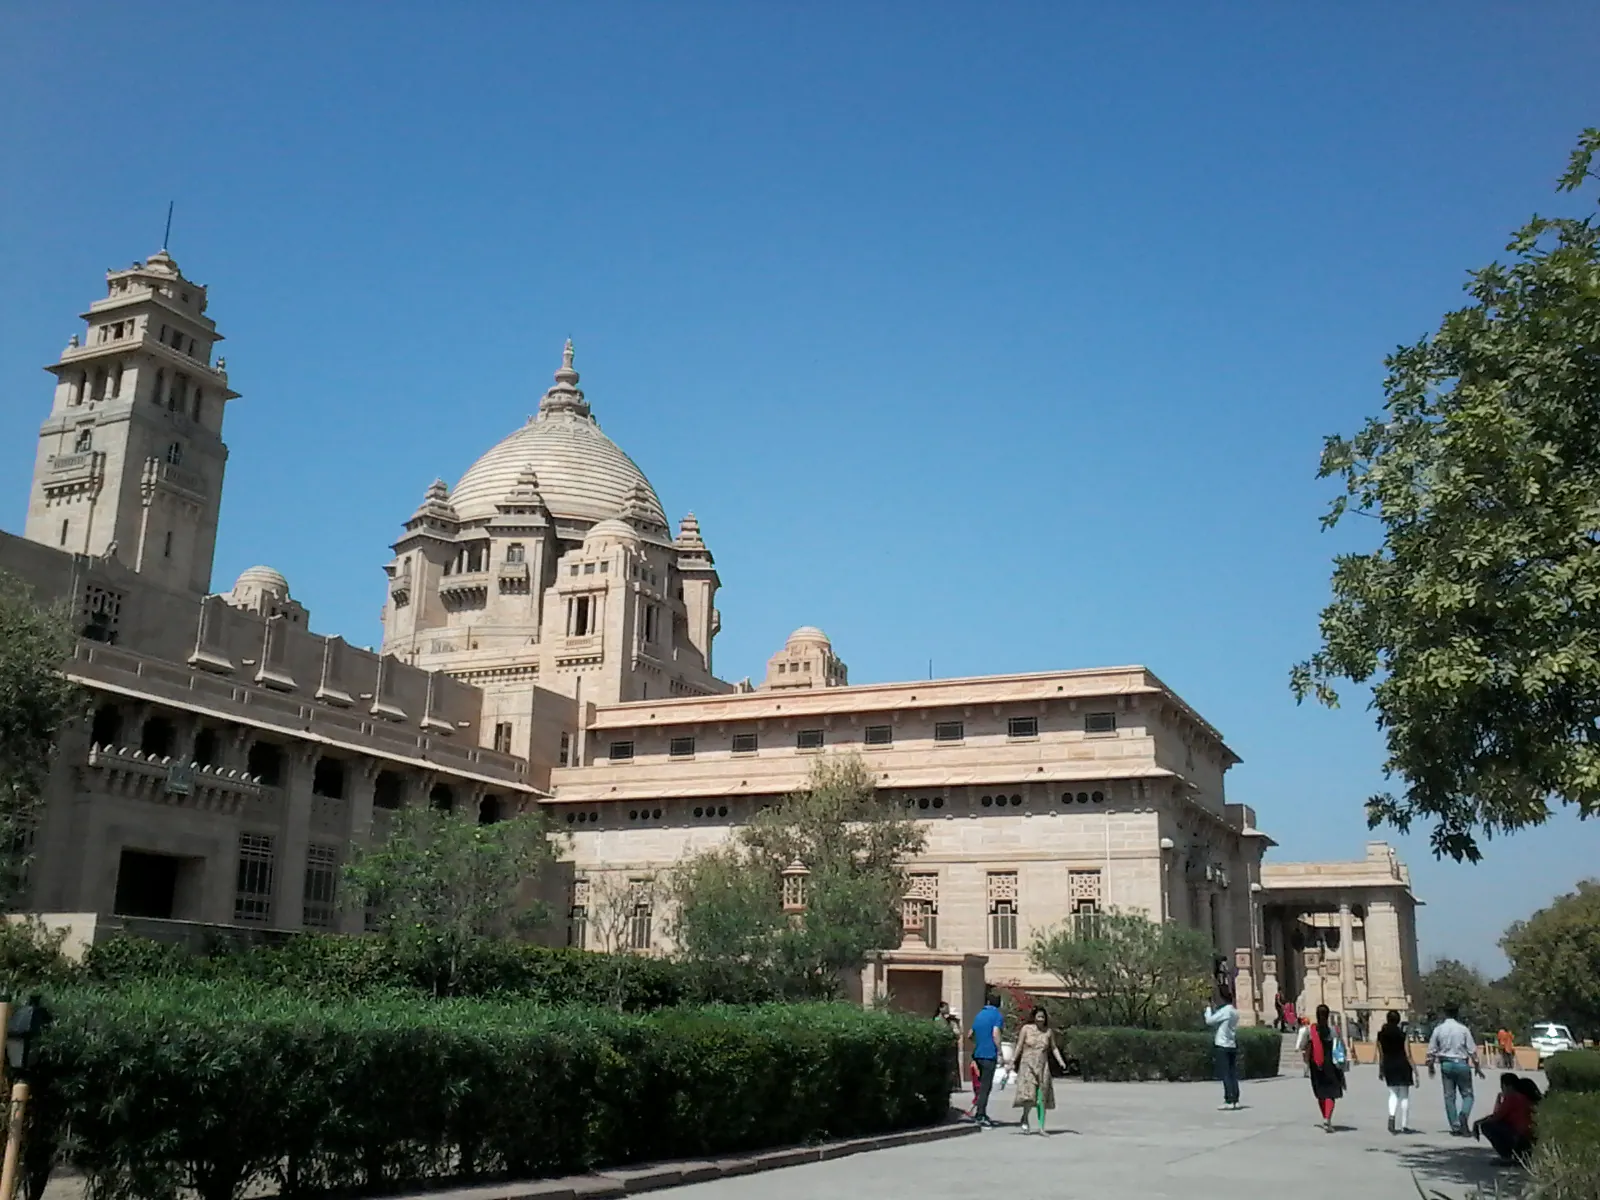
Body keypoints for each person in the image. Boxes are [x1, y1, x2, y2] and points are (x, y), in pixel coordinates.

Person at [1427, 1004, 1485, 1136]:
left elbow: (1431, 1050)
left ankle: (1455, 1125)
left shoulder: (1439, 1029)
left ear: (1445, 1014)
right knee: (1468, 1095)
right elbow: (1472, 1051)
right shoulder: (1463, 1029)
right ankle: (1463, 1114)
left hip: (1445, 1064)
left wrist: (1430, 1066)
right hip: (1461, 1063)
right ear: (1457, 1013)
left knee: (1449, 1096)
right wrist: (1477, 1067)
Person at [1013, 1007, 1067, 1133]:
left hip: (1043, 1066)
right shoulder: (1026, 1029)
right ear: (1034, 1017)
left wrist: (1060, 1061)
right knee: (1029, 1095)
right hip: (1027, 1065)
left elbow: (1053, 1048)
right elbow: (1019, 1045)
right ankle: (1025, 1117)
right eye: (1038, 1017)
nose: (1041, 1020)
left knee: (1041, 1097)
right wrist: (1012, 1061)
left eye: (1043, 1017)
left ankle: (1041, 1127)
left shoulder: (1048, 1032)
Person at [1472, 1073, 1535, 1160]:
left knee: (1487, 1126)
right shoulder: (1523, 1097)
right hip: (1526, 1136)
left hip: (1520, 1137)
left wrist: (1478, 1123)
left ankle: (1507, 1156)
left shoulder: (1512, 1097)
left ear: (1506, 1086)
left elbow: (1496, 1116)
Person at [1303, 1003, 1346, 1133]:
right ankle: (1327, 1118)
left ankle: (1325, 1117)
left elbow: (1306, 1048)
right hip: (1331, 1064)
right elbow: (1341, 1047)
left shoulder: (1311, 1031)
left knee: (1321, 1093)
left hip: (1316, 1064)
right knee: (1331, 1093)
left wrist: (1306, 1064)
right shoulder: (1334, 1030)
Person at [967, 989, 1004, 1127]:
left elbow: (970, 1034)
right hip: (989, 1055)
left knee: (980, 1084)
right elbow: (996, 1034)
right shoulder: (997, 1016)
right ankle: (980, 1114)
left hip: (978, 1054)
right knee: (985, 1087)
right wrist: (1000, 1051)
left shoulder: (979, 1015)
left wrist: (979, 1043)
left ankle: (980, 1111)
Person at [1376, 1010, 1416, 1134]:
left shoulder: (1380, 1035)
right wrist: (1415, 1070)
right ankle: (1404, 1125)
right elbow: (1408, 1054)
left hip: (1389, 1065)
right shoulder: (1403, 1035)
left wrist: (1381, 1069)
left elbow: (1381, 1054)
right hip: (1403, 1065)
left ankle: (1391, 1116)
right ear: (1398, 1020)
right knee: (1404, 1095)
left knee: (1392, 1094)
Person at [1205, 986, 1242, 1110]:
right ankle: (1235, 1099)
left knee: (1225, 1073)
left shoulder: (1225, 1011)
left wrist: (1208, 1008)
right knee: (1232, 1073)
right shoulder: (1234, 1011)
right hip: (1231, 1044)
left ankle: (1229, 1099)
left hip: (1222, 1044)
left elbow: (1209, 1021)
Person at [934, 1001, 962, 1093]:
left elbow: (958, 1033)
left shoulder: (949, 1021)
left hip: (951, 1045)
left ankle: (954, 1085)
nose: (948, 1010)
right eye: (946, 1007)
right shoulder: (938, 1020)